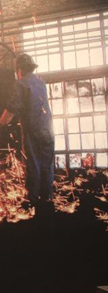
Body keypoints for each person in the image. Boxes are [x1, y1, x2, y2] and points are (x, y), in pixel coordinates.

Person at [0, 53, 55, 208]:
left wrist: (2, 122)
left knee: (33, 165)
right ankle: (47, 200)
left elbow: (12, 108)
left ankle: (33, 202)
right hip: (48, 130)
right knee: (47, 166)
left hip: (33, 131)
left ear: (19, 70)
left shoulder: (21, 84)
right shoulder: (41, 82)